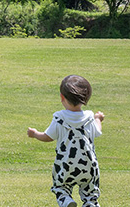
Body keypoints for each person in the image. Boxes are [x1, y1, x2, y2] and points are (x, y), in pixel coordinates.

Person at [28, 75, 104, 207]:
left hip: (65, 164)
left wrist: (35, 134)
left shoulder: (59, 118)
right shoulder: (90, 118)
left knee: (60, 188)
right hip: (88, 166)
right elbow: (97, 131)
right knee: (90, 194)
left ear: (62, 97)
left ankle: (67, 201)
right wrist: (98, 118)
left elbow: (48, 137)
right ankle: (90, 204)